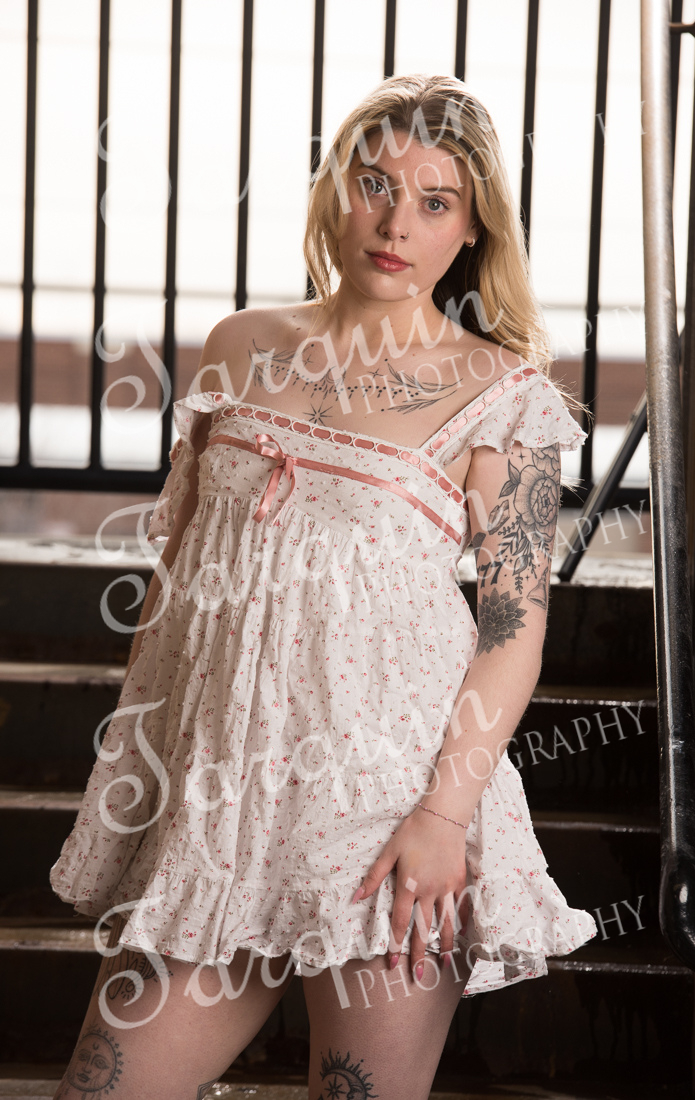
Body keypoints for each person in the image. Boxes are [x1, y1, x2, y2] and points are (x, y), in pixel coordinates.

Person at [50, 73, 597, 1100]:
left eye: (435, 201)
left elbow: (511, 631)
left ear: (471, 228)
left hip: (388, 812)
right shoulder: (241, 346)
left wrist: (444, 816)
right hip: (220, 810)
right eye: (374, 185)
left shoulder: (504, 397)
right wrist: (150, 775)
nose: (396, 224)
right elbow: (179, 577)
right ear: (334, 190)